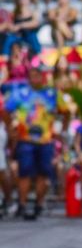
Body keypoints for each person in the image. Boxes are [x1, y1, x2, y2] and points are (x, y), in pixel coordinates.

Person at [3, 65, 66, 220]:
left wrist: (61, 130)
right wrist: (10, 128)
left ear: (42, 77)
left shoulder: (51, 94)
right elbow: (4, 110)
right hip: (26, 140)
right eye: (31, 75)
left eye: (37, 75)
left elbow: (66, 111)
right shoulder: (21, 93)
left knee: (43, 174)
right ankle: (22, 205)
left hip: (46, 140)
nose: (34, 78)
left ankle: (39, 204)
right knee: (24, 173)